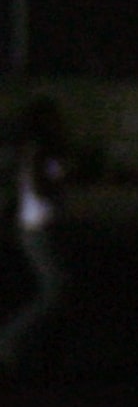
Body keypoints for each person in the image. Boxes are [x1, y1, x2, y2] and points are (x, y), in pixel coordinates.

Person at [0, 97, 68, 373]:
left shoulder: (33, 150)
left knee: (54, 289)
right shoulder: (42, 150)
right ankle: (9, 340)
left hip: (35, 225)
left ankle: (35, 349)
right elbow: (41, 187)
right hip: (38, 227)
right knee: (54, 291)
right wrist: (57, 184)